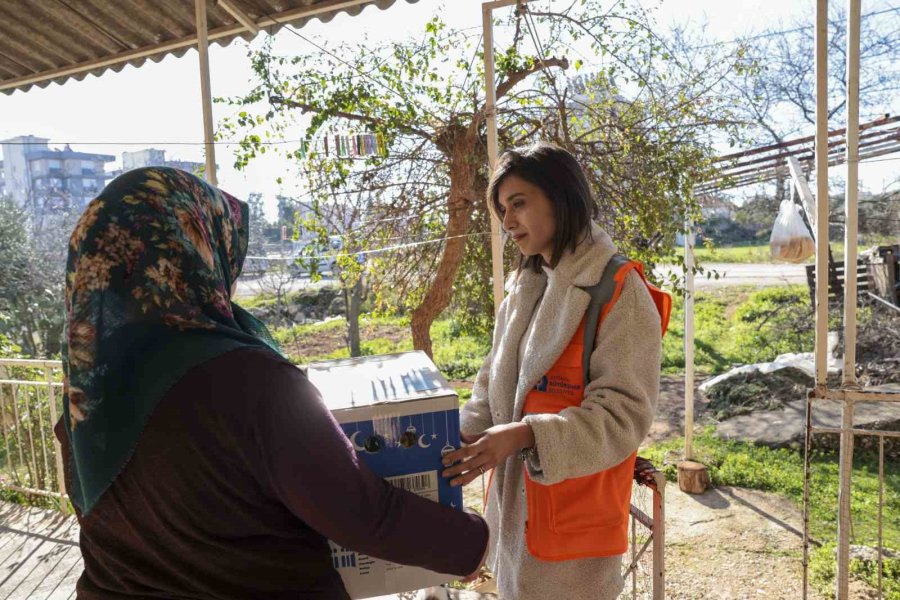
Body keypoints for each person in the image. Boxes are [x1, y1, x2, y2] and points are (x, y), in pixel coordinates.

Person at [57, 167, 488, 600]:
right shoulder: (247, 381)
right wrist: (473, 543)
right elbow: (360, 513)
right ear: (193, 251)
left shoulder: (86, 398)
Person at [442, 143, 663, 600]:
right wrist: (457, 436)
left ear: (561, 198)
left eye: (519, 203)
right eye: (502, 209)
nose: (508, 222)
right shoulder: (525, 288)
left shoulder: (620, 291)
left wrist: (526, 435)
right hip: (514, 518)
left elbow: (623, 416)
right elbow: (490, 382)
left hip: (575, 533)